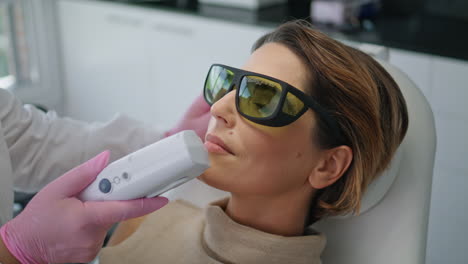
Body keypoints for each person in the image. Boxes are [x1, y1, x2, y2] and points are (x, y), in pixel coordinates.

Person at [98, 19, 409, 264]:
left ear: (327, 165)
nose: (217, 109)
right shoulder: (144, 223)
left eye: (262, 97)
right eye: (229, 87)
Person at [0, 88, 210, 264]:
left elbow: (36, 143)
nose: (219, 110)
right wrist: (13, 252)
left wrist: (164, 143)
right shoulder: (148, 226)